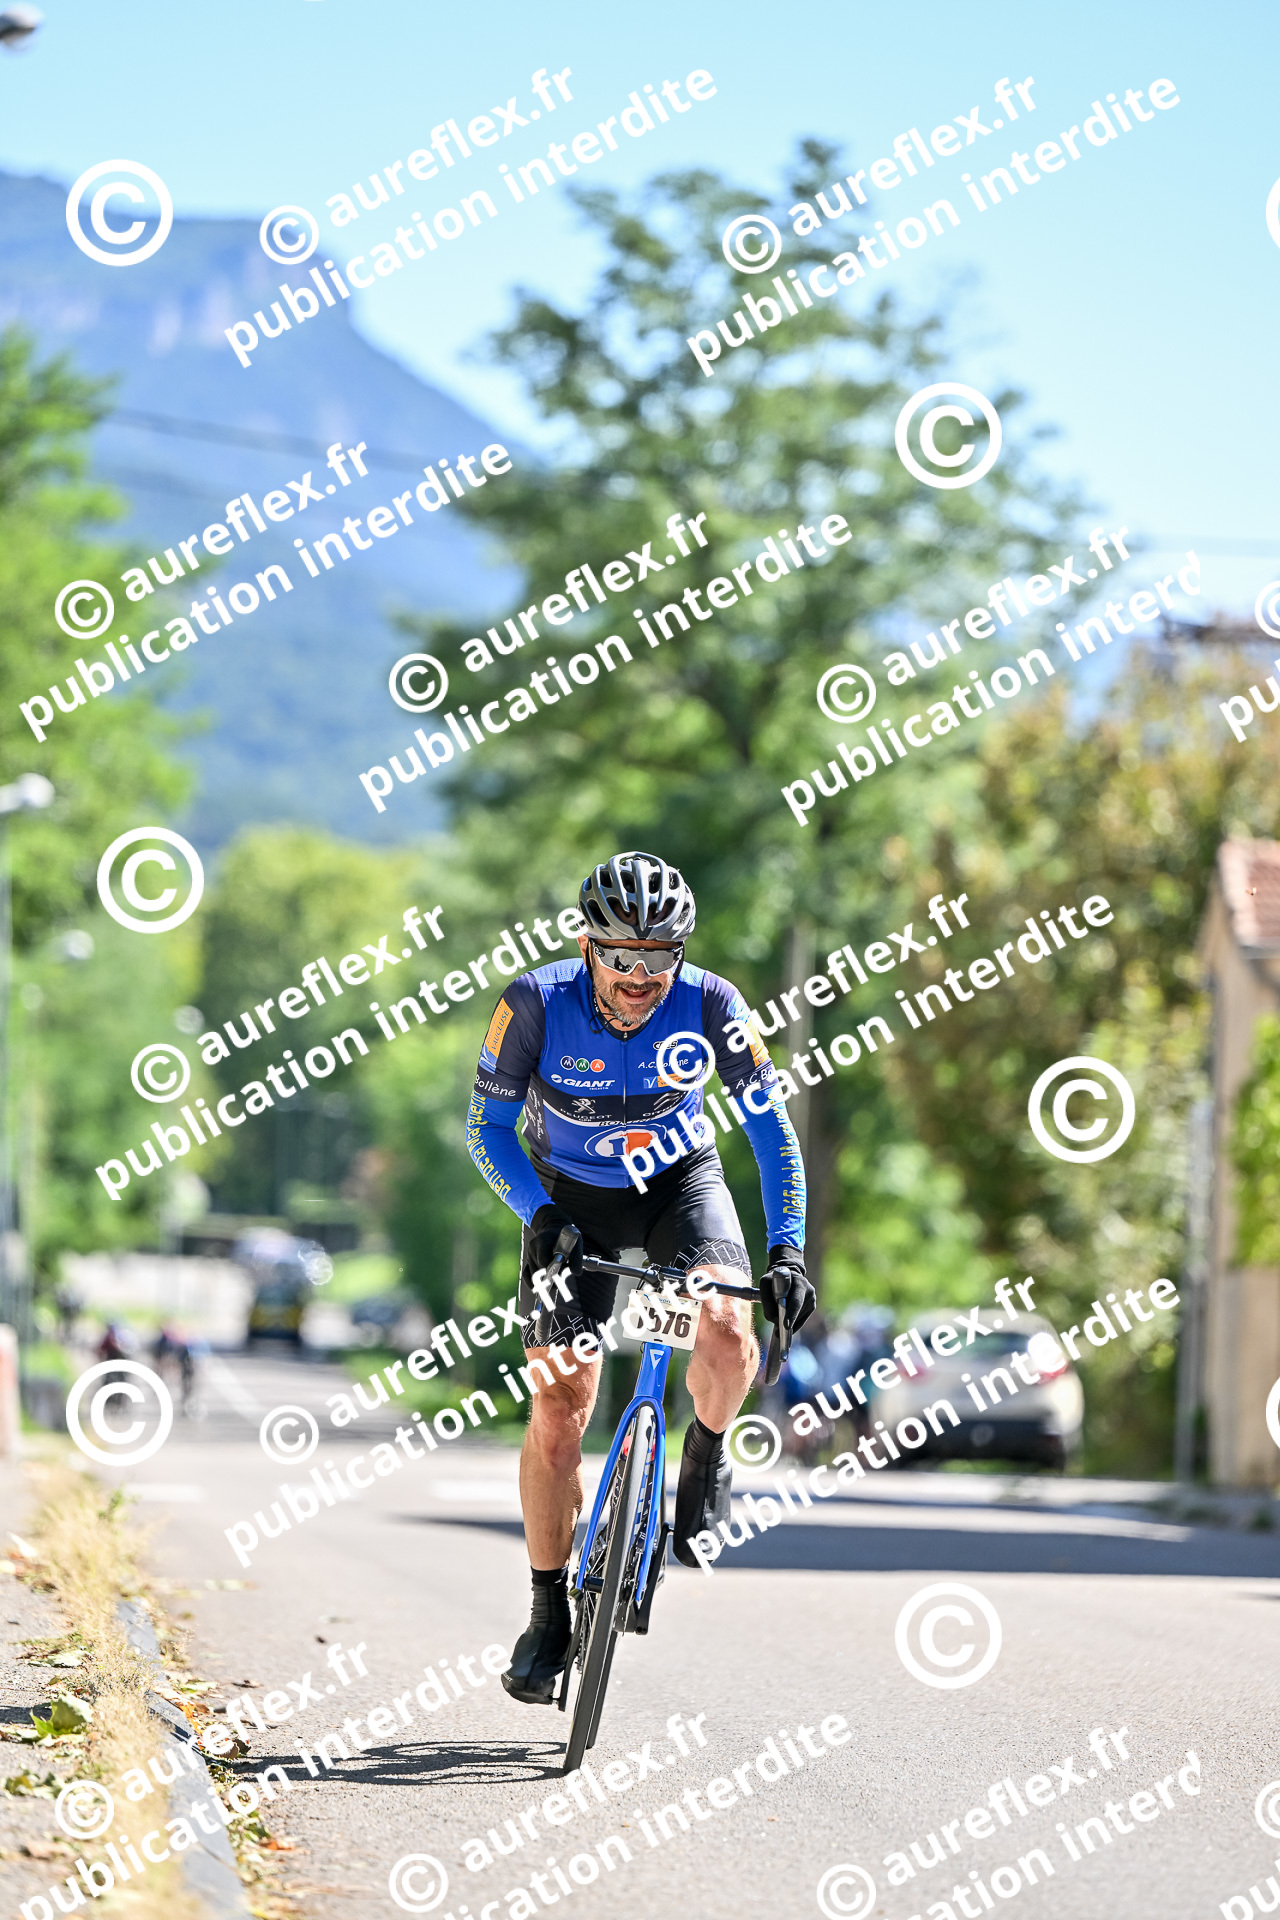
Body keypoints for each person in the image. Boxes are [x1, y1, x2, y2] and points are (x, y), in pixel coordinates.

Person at [466, 851, 814, 1704]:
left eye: (659, 958)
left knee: (727, 1330)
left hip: (678, 1183)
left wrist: (788, 1252)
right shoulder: (533, 1004)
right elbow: (486, 1129)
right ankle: (548, 1611)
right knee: (559, 1410)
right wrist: (538, 1214)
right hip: (567, 1198)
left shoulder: (715, 1004)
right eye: (621, 955)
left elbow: (772, 1134)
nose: (638, 976)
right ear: (588, 947)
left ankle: (705, 1452)